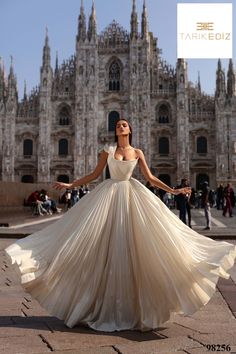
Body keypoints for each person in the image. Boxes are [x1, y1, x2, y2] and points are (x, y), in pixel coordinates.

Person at [5, 119, 236, 332]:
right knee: (95, 243)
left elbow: (151, 178)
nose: (120, 127)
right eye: (117, 125)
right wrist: (71, 184)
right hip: (109, 196)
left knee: (143, 245)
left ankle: (134, 308)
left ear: (131, 130)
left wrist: (174, 190)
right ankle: (97, 302)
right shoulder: (107, 151)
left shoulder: (137, 152)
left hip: (132, 196)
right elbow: (94, 175)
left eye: (124, 124)